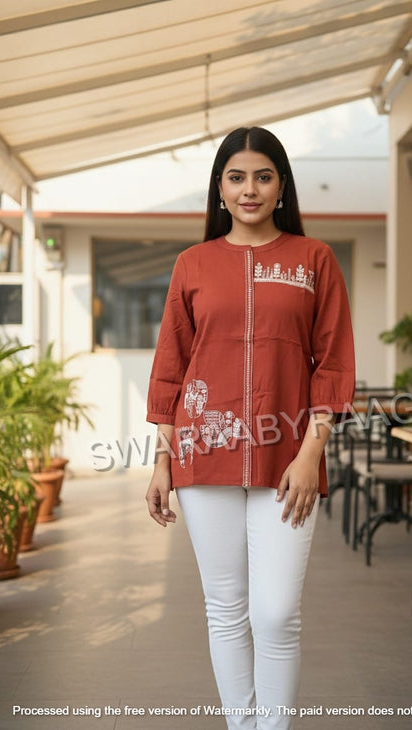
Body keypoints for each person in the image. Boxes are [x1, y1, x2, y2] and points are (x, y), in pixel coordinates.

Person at [146, 126, 355, 729]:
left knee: (277, 613)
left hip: (288, 459)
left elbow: (333, 363)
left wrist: (311, 455)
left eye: (263, 176)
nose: (250, 189)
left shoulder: (314, 259)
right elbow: (171, 367)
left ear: (281, 185)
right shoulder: (193, 264)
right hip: (202, 453)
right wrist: (161, 461)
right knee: (226, 610)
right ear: (220, 188)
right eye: (236, 177)